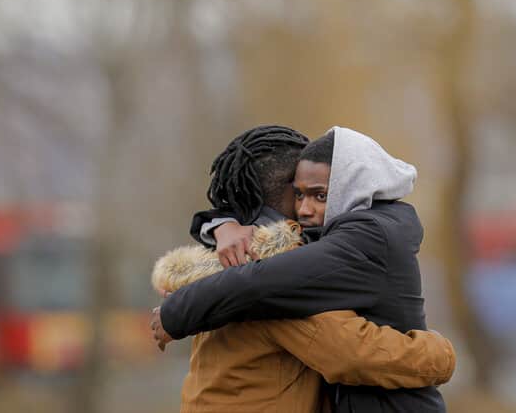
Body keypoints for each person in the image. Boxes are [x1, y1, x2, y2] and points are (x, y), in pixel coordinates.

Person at [150, 125, 455, 412]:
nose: (307, 209)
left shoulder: (221, 261)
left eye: (321, 194)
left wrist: (220, 223)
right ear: (286, 193)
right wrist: (440, 354)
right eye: (300, 193)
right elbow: (352, 355)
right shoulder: (273, 274)